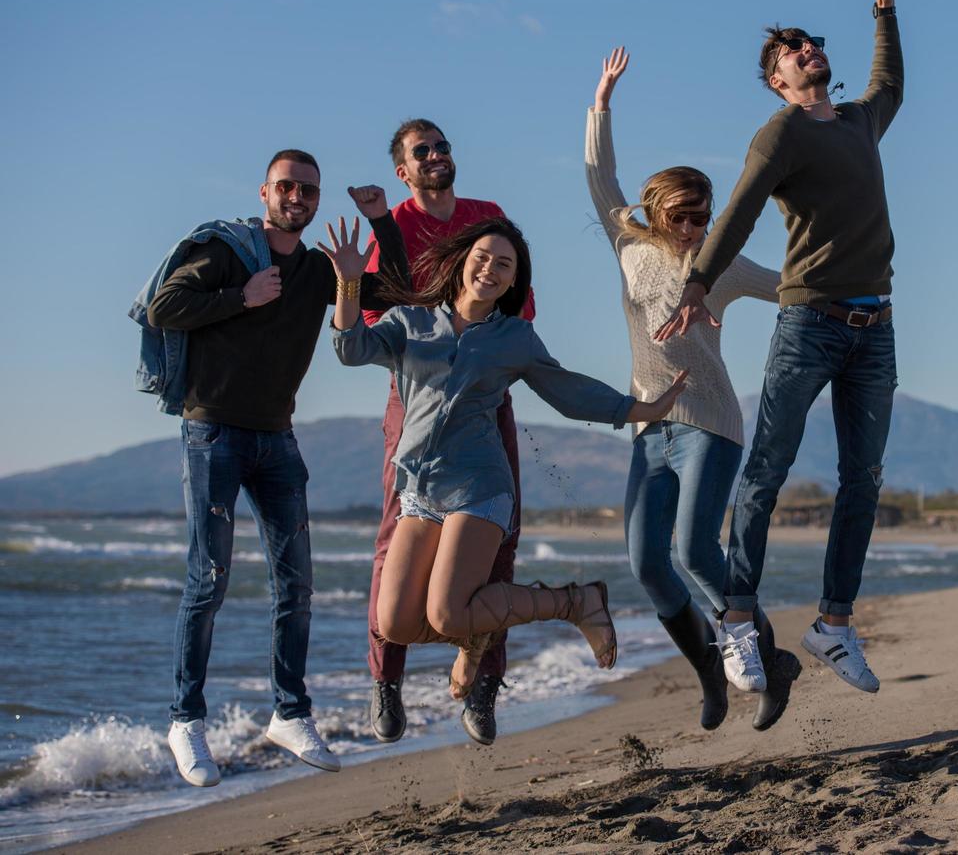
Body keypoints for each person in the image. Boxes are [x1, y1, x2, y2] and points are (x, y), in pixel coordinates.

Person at [658, 0, 902, 697]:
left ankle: (832, 625)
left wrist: (885, 12)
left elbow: (890, 81)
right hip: (809, 322)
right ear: (778, 80)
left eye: (809, 42)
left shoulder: (860, 120)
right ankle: (736, 617)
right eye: (790, 51)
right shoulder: (780, 133)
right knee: (766, 471)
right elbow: (736, 210)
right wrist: (698, 281)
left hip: (875, 325)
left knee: (861, 480)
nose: (806, 51)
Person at [330, 217, 688, 704]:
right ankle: (477, 637)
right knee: (394, 624)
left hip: (479, 487)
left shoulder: (513, 338)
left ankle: (576, 602)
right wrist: (348, 282)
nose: (490, 269)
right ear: (461, 262)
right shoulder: (410, 321)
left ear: (513, 280)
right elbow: (351, 349)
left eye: (504, 265)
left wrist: (638, 409)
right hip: (419, 491)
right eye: (483, 257)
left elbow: (566, 390)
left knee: (447, 613)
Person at [146, 150, 408, 787]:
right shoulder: (229, 253)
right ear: (265, 191)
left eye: (308, 191)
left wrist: (378, 227)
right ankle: (186, 720)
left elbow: (394, 289)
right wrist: (242, 295)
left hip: (277, 439)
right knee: (208, 579)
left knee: (297, 586)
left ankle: (290, 713)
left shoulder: (320, 271)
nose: (298, 197)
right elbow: (164, 306)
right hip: (212, 431)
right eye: (287, 187)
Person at [585, 47, 799, 730]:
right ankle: (710, 669)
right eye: (681, 215)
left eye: (702, 216)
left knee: (692, 550)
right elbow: (598, 175)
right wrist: (602, 103)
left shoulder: (722, 263)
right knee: (648, 566)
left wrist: (844, 261)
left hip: (709, 421)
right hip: (651, 428)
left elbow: (793, 287)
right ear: (655, 211)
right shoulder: (628, 244)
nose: (693, 228)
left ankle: (763, 651)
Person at [362, 119, 535, 746]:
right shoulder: (398, 226)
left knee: (503, 538)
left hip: (489, 392)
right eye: (421, 151)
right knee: (396, 536)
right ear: (403, 171)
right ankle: (387, 682)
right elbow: (379, 315)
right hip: (418, 400)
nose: (436, 155)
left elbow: (520, 302)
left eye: (442, 145)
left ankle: (484, 682)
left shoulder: (487, 216)